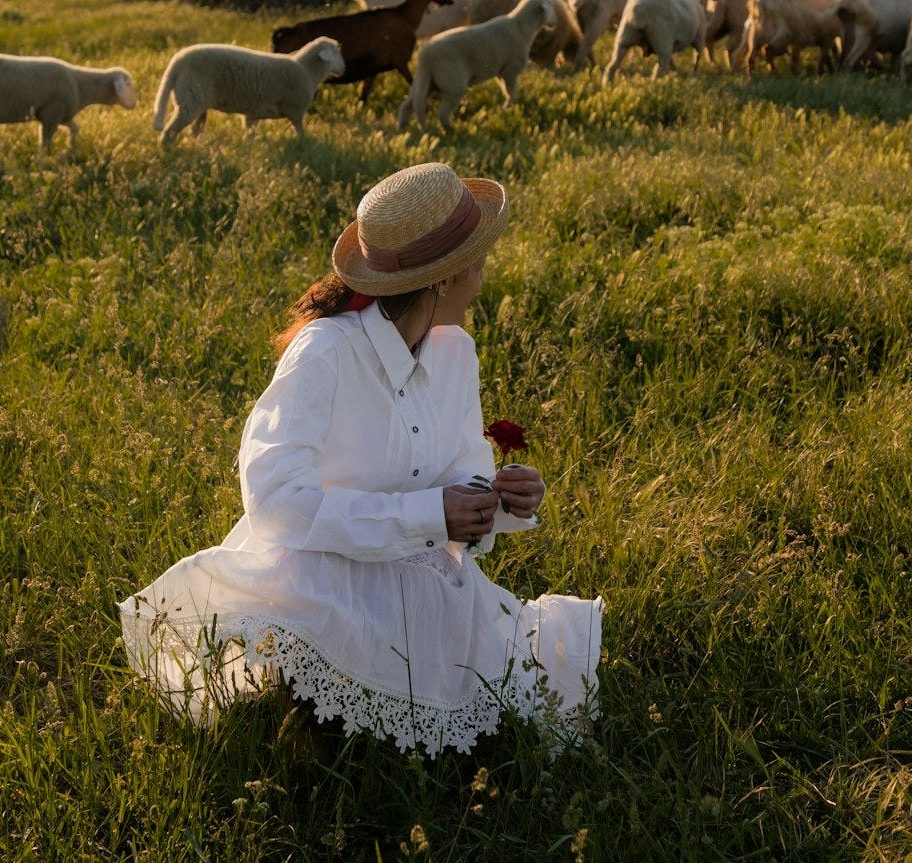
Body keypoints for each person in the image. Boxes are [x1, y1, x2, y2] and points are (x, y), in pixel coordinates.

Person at [119, 162, 603, 757]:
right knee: (344, 756)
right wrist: (432, 515)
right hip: (322, 582)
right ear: (444, 281)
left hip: (421, 582)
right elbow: (275, 503)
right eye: (479, 260)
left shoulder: (456, 353)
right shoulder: (324, 353)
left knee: (511, 715)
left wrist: (499, 503)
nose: (484, 274)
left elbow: (457, 481)